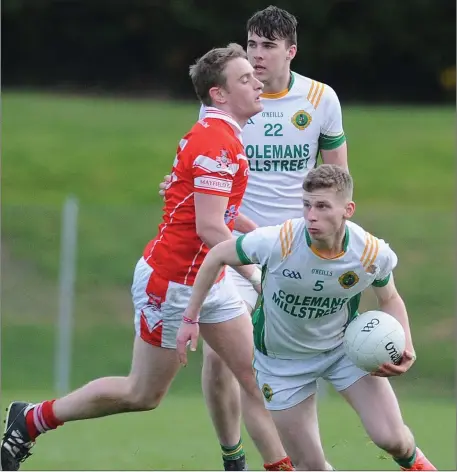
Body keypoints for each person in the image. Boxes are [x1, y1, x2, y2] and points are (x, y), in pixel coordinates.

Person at [1, 44, 293, 472]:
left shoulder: (226, 135)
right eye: (245, 78)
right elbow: (210, 228)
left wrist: (272, 236)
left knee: (254, 377)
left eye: (255, 75)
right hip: (173, 283)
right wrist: (255, 274)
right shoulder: (216, 140)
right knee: (142, 394)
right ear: (219, 94)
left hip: (208, 281)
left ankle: (269, 466)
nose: (258, 82)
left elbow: (219, 213)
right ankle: (31, 420)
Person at [160, 6, 347, 471]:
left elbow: (338, 179)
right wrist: (177, 183)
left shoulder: (320, 99)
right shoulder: (228, 97)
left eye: (268, 46)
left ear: (291, 51)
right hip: (235, 248)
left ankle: (303, 459)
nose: (257, 56)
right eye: (252, 45)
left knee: (285, 367)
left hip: (297, 253)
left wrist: (337, 241)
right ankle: (234, 455)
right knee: (225, 361)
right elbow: (201, 159)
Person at [176, 164, 437, 472]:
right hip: (282, 365)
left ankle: (418, 464)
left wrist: (406, 344)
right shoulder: (280, 241)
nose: (311, 215)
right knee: (311, 466)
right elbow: (218, 254)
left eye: (322, 206)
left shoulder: (369, 252)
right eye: (307, 204)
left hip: (343, 352)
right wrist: (190, 317)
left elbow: (390, 298)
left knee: (393, 439)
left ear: (347, 210)